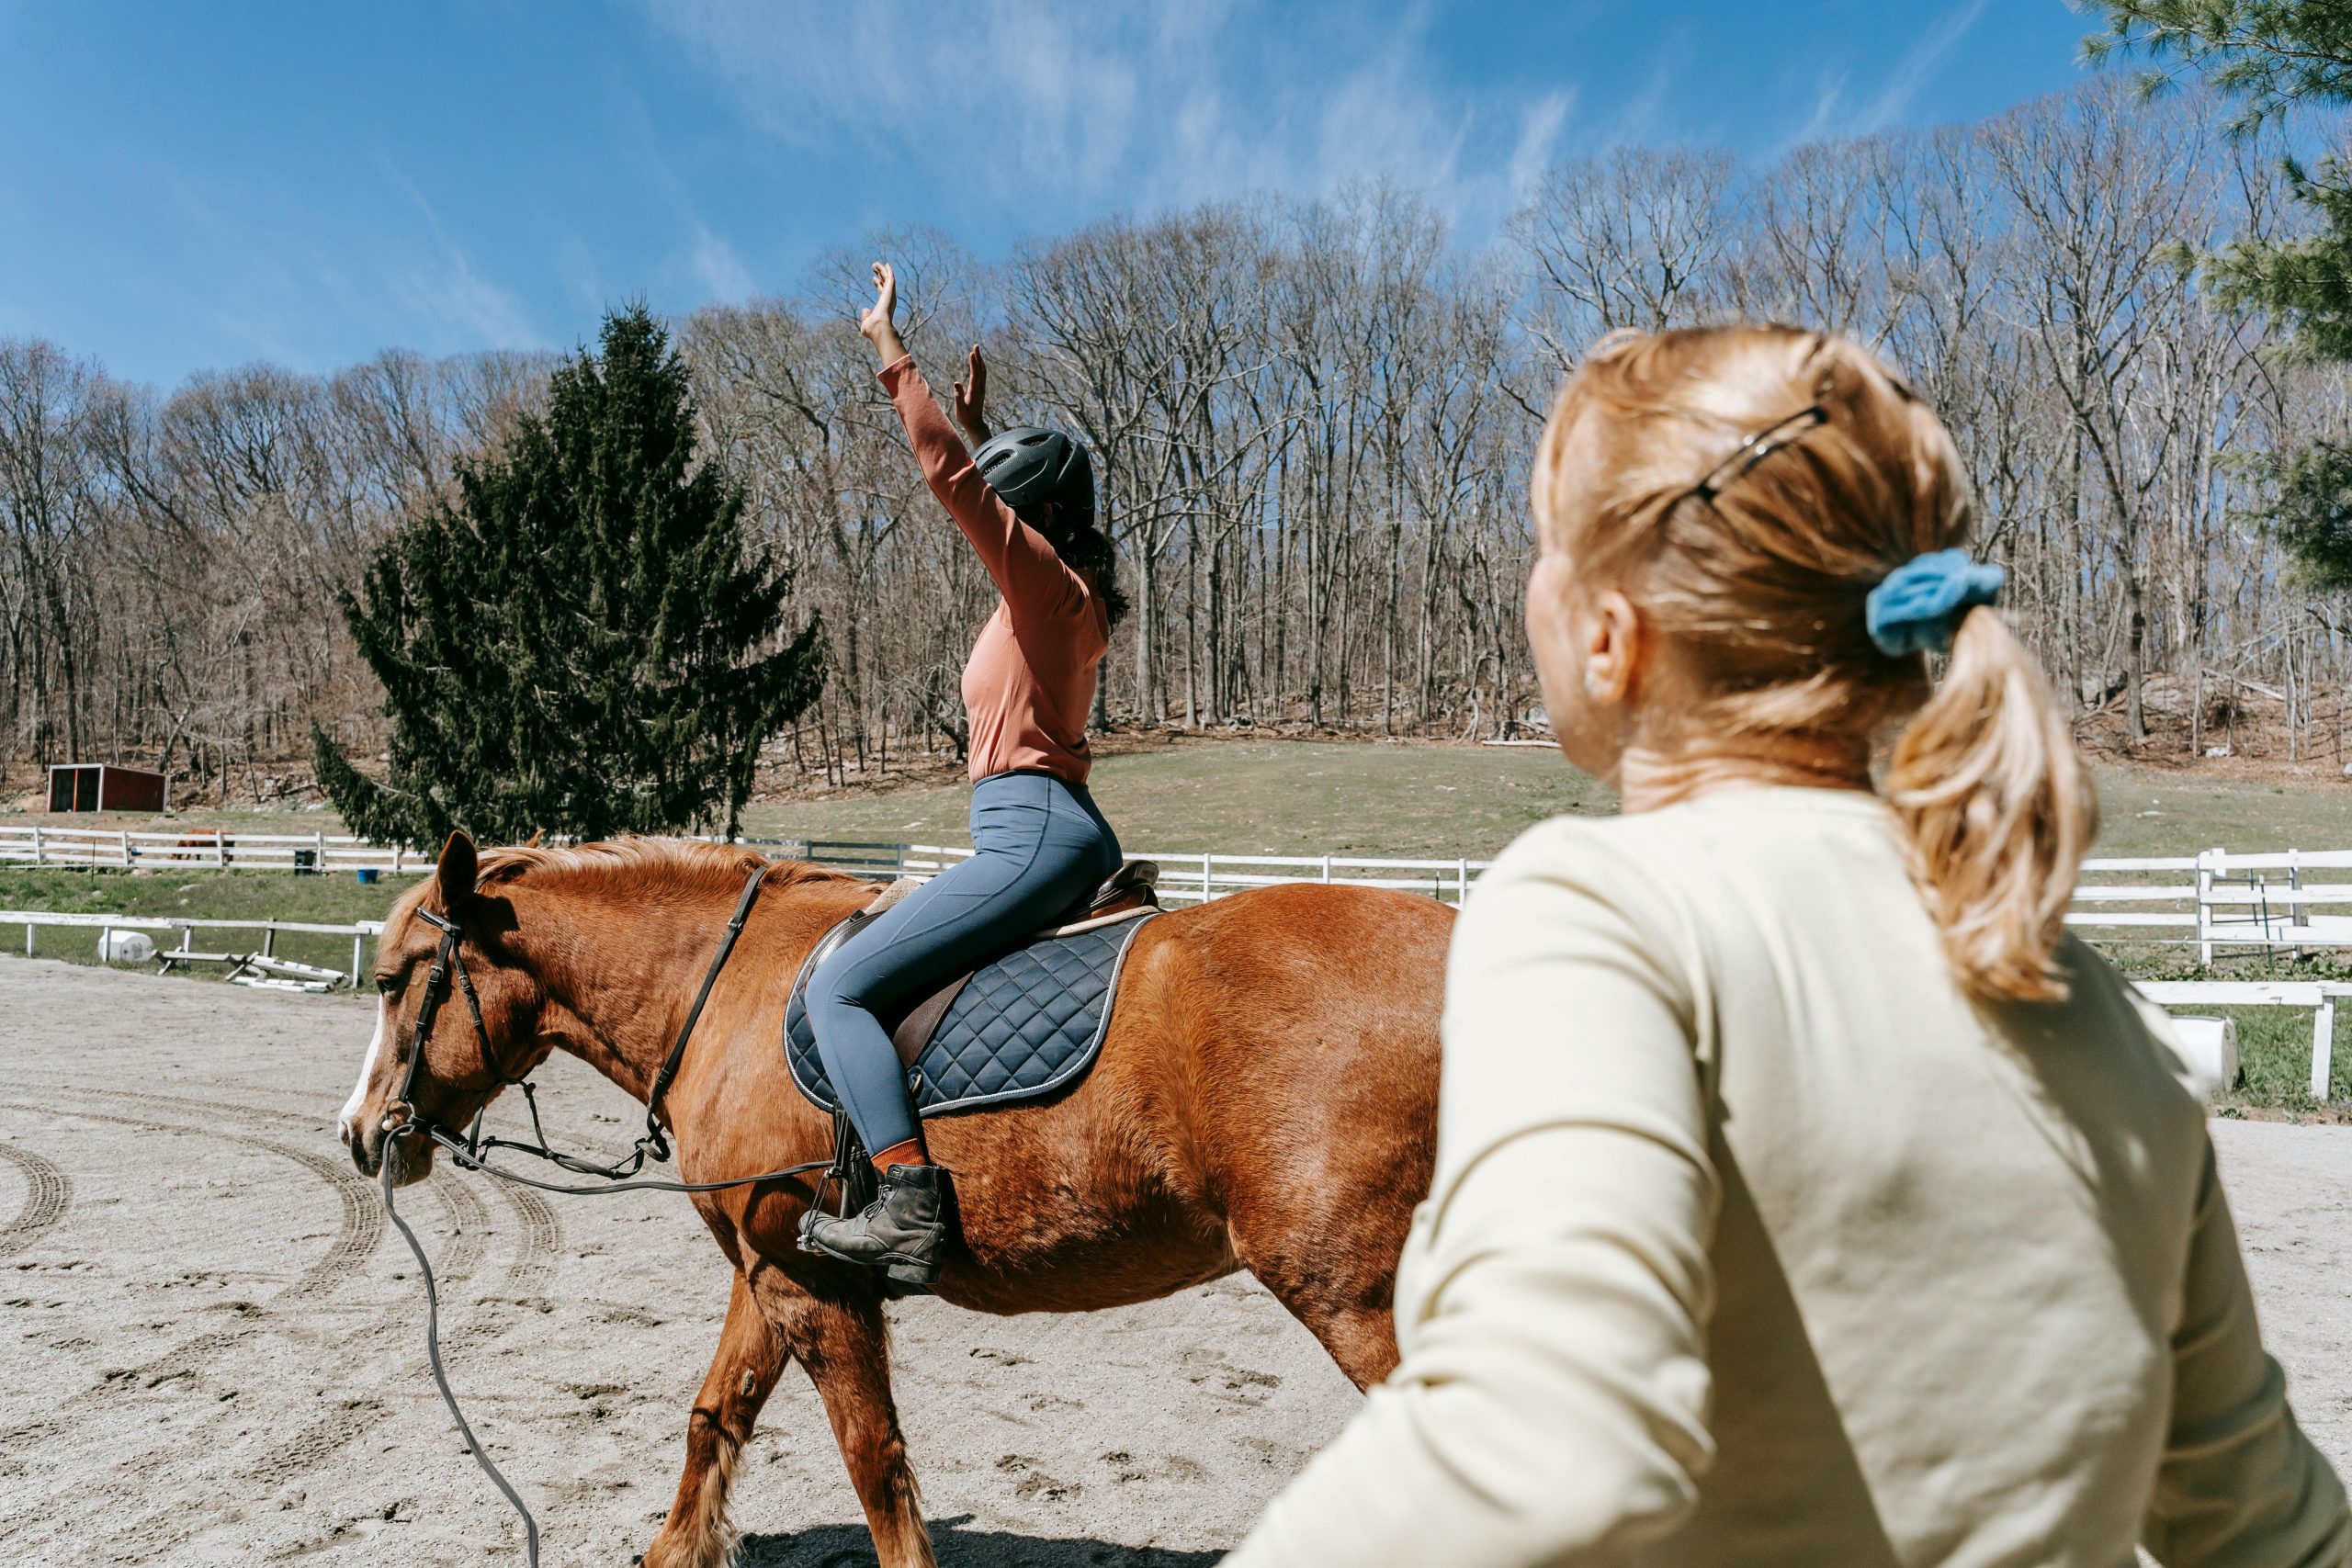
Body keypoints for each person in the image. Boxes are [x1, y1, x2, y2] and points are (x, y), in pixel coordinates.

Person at [1225, 325, 2351, 1565]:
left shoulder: (1601, 910)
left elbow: (1542, 1446)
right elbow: (2273, 1526)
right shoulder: (2101, 1006)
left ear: (1610, 632)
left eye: (1545, 544)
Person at [799, 262, 1125, 1288]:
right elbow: (998, 492)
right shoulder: (1064, 589)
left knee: (842, 988)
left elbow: (954, 483)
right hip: (1043, 825)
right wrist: (990, 434)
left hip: (1028, 833)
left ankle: (903, 1205)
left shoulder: (1043, 588)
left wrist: (891, 351)